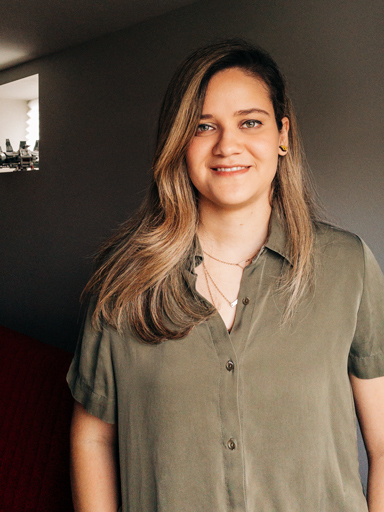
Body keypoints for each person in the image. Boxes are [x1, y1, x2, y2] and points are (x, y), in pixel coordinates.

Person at [67, 38, 384, 512]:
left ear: (282, 134)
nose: (227, 145)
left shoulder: (347, 265)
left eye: (249, 122)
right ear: (179, 141)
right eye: (203, 126)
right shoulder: (124, 281)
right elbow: (92, 439)